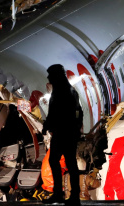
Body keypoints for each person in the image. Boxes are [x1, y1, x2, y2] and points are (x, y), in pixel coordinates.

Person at [42, 64, 83, 205]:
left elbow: (54, 113)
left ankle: (60, 194)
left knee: (56, 161)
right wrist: (77, 128)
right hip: (69, 132)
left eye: (50, 75)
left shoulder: (60, 92)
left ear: (56, 76)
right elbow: (79, 112)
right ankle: (73, 195)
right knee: (70, 164)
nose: (48, 78)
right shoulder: (70, 90)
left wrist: (47, 126)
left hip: (62, 133)